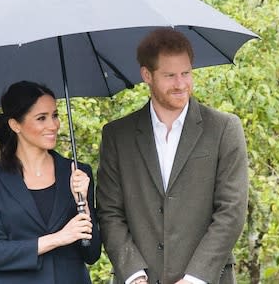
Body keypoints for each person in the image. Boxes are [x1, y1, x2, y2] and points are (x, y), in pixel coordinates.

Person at [96, 28, 249, 284]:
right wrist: (133, 274)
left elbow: (231, 211)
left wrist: (195, 278)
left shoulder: (224, 128)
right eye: (169, 75)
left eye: (186, 73)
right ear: (147, 75)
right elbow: (109, 212)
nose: (181, 84)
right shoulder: (117, 135)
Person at [0, 81, 101, 284]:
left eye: (55, 115)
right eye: (42, 118)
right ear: (15, 125)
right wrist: (58, 238)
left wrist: (81, 202)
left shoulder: (78, 173)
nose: (53, 125)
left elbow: (91, 254)